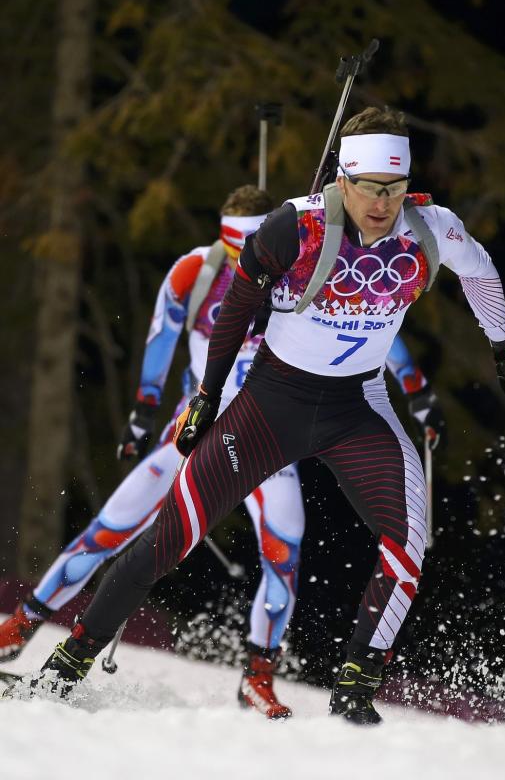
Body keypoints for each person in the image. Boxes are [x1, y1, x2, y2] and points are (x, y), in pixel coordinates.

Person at [27, 106, 505, 725]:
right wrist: (206, 399)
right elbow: (234, 312)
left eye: (396, 189)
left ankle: (356, 683)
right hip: (271, 406)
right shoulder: (294, 227)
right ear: (343, 178)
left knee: (410, 543)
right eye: (372, 189)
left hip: (357, 408)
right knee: (167, 540)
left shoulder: (430, 229)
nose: (383, 204)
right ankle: (67, 666)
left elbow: (481, 273)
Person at [2, 180, 444, 718]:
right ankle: (23, 626)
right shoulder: (198, 270)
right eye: (231, 247)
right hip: (197, 428)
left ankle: (259, 674)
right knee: (117, 530)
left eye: (247, 248)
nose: (241, 260)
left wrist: (416, 388)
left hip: (261, 431)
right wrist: (144, 411)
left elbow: (373, 320)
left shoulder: (304, 262)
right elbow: (162, 335)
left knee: (285, 551)